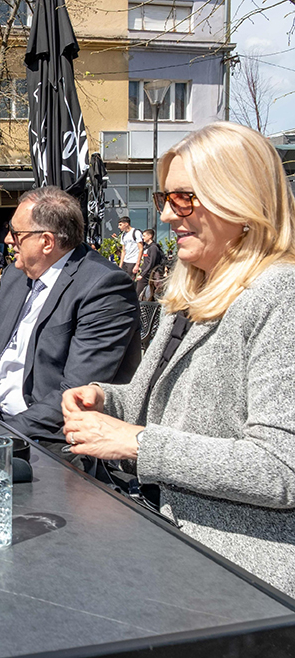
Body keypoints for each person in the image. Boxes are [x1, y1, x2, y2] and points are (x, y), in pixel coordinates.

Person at [62, 122, 295, 597]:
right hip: (174, 545)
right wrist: (107, 400)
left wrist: (137, 444)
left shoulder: (281, 294)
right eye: (164, 198)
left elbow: (281, 468)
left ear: (241, 200)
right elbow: (164, 408)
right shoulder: (194, 290)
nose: (167, 215)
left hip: (243, 581)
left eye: (183, 198)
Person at [0, 186, 141, 451]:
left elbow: (75, 393)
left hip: (50, 442)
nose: (8, 239)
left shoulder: (105, 287)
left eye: (16, 233)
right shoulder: (15, 275)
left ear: (46, 241)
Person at [136, 228, 163, 297]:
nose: (142, 238)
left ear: (150, 236)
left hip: (148, 274)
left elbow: (151, 263)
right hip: (145, 272)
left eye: (144, 236)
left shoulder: (153, 248)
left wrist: (142, 274)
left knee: (139, 291)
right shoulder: (147, 247)